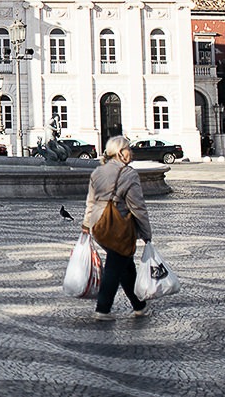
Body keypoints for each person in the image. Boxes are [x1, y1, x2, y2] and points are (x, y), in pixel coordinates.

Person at [82, 136, 152, 320]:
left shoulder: (98, 172)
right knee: (115, 265)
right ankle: (103, 308)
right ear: (120, 152)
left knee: (125, 264)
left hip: (99, 226)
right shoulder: (129, 174)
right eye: (129, 148)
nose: (132, 152)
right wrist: (147, 233)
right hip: (117, 226)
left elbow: (90, 201)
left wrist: (86, 225)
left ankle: (139, 305)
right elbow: (137, 206)